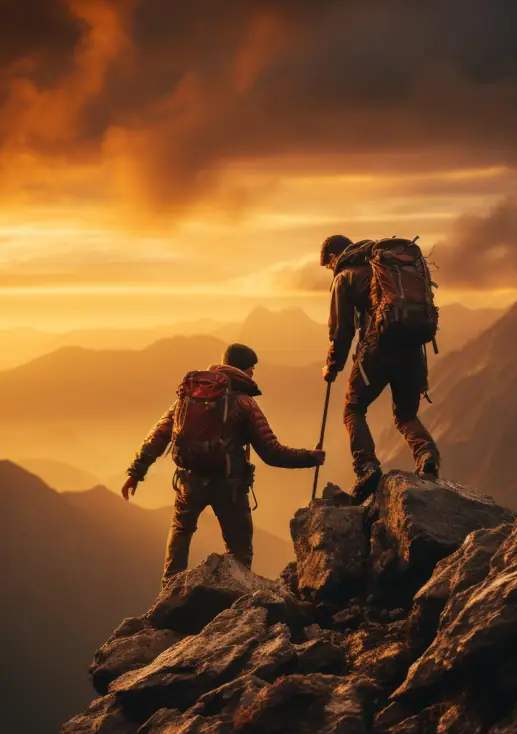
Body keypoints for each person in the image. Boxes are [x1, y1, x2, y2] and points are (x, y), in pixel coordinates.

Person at [122, 343, 325, 586]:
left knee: (181, 531)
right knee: (239, 547)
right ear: (245, 369)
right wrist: (310, 457)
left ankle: (169, 589)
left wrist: (136, 472)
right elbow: (272, 452)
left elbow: (159, 434)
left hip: (189, 480)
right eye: (252, 369)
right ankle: (237, 597)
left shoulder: (189, 397)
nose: (253, 374)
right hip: (229, 485)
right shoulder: (245, 404)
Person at [320, 233, 440, 503]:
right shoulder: (384, 269)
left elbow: (342, 331)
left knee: (353, 408)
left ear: (331, 258)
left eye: (327, 265)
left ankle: (367, 468)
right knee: (406, 414)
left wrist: (332, 366)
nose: (329, 270)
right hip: (412, 348)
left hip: (378, 348)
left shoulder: (344, 276)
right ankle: (426, 454)